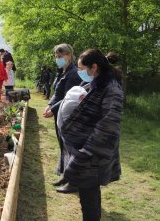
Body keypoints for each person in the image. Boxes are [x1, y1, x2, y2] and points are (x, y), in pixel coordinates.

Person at [60, 49, 123, 221]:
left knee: (89, 196)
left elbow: (109, 126)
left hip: (94, 151)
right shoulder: (98, 83)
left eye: (82, 68)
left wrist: (86, 152)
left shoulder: (112, 88)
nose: (80, 72)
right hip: (88, 148)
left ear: (94, 67)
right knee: (88, 193)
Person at [43, 43, 82, 193]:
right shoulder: (62, 72)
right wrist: (50, 104)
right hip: (60, 115)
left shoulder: (73, 74)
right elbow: (57, 94)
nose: (58, 59)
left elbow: (67, 98)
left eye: (61, 56)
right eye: (56, 56)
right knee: (63, 146)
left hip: (68, 116)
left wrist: (52, 109)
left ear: (70, 56)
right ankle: (66, 176)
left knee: (70, 147)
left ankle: (74, 182)